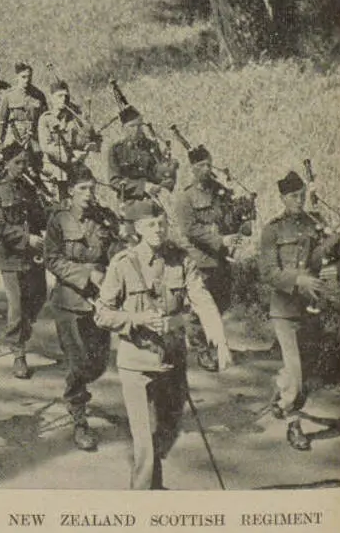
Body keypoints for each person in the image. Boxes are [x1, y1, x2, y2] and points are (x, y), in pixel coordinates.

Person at [94, 203, 231, 489]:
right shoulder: (122, 263)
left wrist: (218, 336)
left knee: (170, 429)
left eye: (161, 223)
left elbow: (201, 298)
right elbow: (102, 314)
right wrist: (136, 319)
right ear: (138, 229)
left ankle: (152, 481)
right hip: (136, 363)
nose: (157, 230)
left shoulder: (181, 260)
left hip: (172, 360)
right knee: (143, 440)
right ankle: (144, 496)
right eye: (150, 225)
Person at [259, 170, 340, 451]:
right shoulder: (273, 229)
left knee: (304, 372)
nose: (299, 200)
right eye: (294, 196)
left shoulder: (314, 223)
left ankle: (281, 398)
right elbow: (268, 272)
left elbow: (326, 257)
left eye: (302, 195)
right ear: (283, 197)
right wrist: (298, 279)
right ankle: (294, 426)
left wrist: (334, 244)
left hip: (312, 307)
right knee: (296, 375)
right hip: (284, 310)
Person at [45, 164, 119, 450]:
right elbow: (52, 259)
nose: (88, 194)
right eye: (82, 189)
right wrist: (88, 275)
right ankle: (79, 420)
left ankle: (78, 392)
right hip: (69, 303)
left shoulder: (104, 219)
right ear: (71, 191)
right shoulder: (59, 220)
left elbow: (115, 251)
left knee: (97, 364)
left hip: (100, 301)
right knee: (78, 362)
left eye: (92, 188)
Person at [172, 144, 241, 372]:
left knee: (222, 301)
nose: (207, 168)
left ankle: (208, 338)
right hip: (200, 258)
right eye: (201, 165)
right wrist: (220, 240)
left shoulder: (219, 192)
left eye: (209, 163)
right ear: (192, 168)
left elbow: (229, 217)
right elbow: (190, 229)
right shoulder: (186, 197)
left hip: (220, 258)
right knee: (200, 306)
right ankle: (202, 348)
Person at [0, 142, 47, 378]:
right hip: (11, 258)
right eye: (17, 162)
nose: (22, 167)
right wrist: (26, 238)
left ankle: (25, 326)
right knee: (17, 305)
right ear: (6, 164)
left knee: (39, 295)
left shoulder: (30, 188)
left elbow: (40, 218)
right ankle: (18, 353)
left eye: (25, 162)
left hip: (33, 257)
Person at [107, 105, 178, 223]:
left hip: (153, 200)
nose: (137, 130)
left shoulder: (150, 146)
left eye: (140, 125)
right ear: (123, 128)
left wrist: (167, 170)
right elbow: (114, 181)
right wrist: (143, 186)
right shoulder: (116, 150)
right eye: (132, 126)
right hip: (129, 204)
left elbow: (158, 173)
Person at [38, 81, 100, 202]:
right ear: (52, 98)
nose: (64, 99)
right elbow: (47, 146)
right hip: (52, 164)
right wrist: (71, 156)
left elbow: (85, 140)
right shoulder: (45, 119)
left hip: (73, 163)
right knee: (62, 179)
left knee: (88, 178)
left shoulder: (75, 118)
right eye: (59, 96)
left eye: (66, 96)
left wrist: (89, 145)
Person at [0, 62, 47, 151]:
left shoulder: (39, 95)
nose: (27, 80)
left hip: (33, 136)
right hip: (14, 136)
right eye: (23, 77)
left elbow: (45, 119)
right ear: (17, 77)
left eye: (29, 77)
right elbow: (2, 121)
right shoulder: (9, 95)